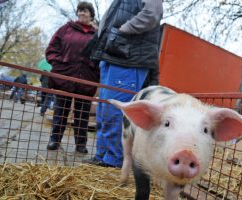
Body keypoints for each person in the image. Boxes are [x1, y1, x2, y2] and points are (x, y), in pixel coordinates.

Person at [83, 0, 163, 167]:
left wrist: (122, 31)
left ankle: (114, 159)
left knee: (116, 111)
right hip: (113, 54)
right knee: (104, 109)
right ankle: (103, 155)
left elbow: (151, 14)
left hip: (128, 57)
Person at [45, 1, 99, 154]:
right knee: (61, 110)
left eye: (86, 11)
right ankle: (54, 140)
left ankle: (80, 145)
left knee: (82, 114)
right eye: (80, 11)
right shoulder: (66, 29)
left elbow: (101, 55)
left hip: (87, 79)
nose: (82, 13)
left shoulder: (97, 34)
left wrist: (95, 70)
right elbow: (51, 48)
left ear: (91, 15)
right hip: (65, 76)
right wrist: (58, 62)